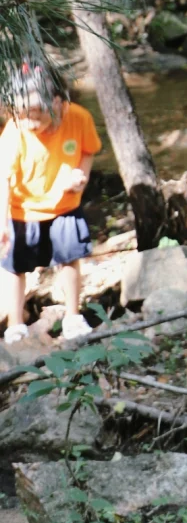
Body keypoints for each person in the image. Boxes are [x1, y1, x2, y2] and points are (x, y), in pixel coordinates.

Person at [0, 66, 102, 344]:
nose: (30, 123)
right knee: (14, 267)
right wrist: (2, 225)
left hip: (64, 204)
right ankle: (15, 324)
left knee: (69, 259)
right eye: (22, 115)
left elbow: (88, 150)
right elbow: (3, 179)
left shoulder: (79, 118)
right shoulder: (15, 131)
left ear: (58, 101)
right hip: (23, 209)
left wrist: (82, 175)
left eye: (36, 115)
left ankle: (72, 316)